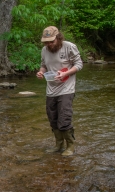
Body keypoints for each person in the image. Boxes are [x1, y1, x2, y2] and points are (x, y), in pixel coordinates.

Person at [36, 26, 83, 156]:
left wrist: (66, 73)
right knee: (53, 119)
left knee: (64, 119)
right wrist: (41, 72)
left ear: (58, 37)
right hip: (51, 90)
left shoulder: (69, 47)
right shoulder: (44, 50)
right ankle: (58, 144)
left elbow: (79, 64)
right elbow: (44, 65)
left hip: (66, 89)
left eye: (52, 41)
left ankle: (70, 146)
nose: (49, 44)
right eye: (46, 42)